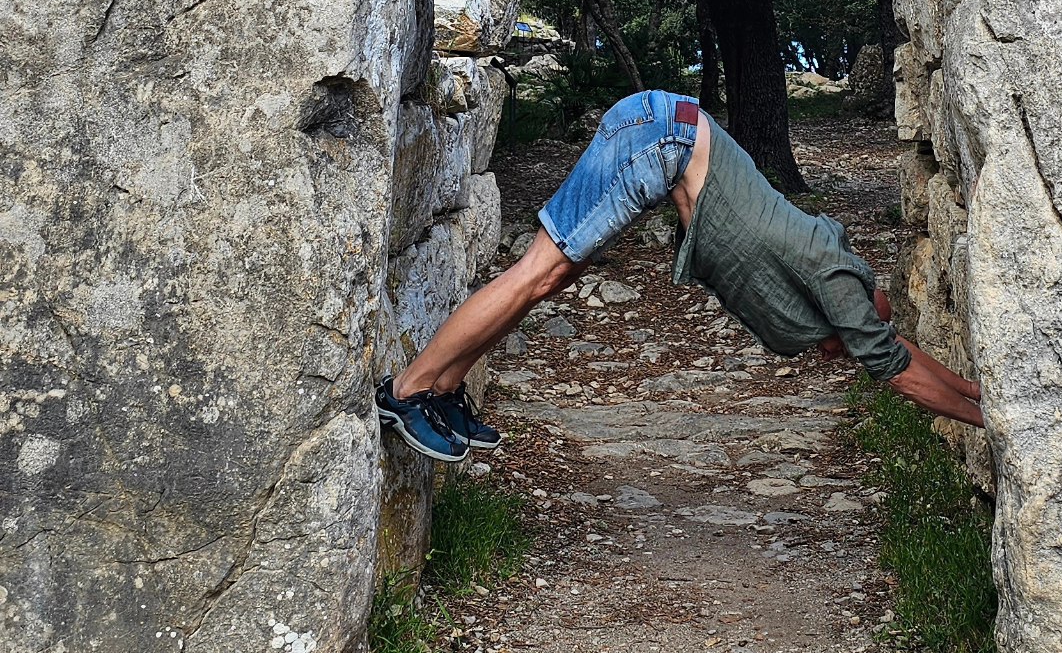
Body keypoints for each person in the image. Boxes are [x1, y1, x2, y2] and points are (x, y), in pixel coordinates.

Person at [377, 89, 983, 462]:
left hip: (665, 135)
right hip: (658, 136)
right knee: (537, 272)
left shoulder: (838, 277)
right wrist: (994, 423)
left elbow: (890, 347)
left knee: (550, 278)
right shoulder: (837, 282)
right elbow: (896, 370)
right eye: (850, 340)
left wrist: (977, 391)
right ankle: (407, 390)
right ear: (851, 310)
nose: (839, 353)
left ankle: (444, 388)